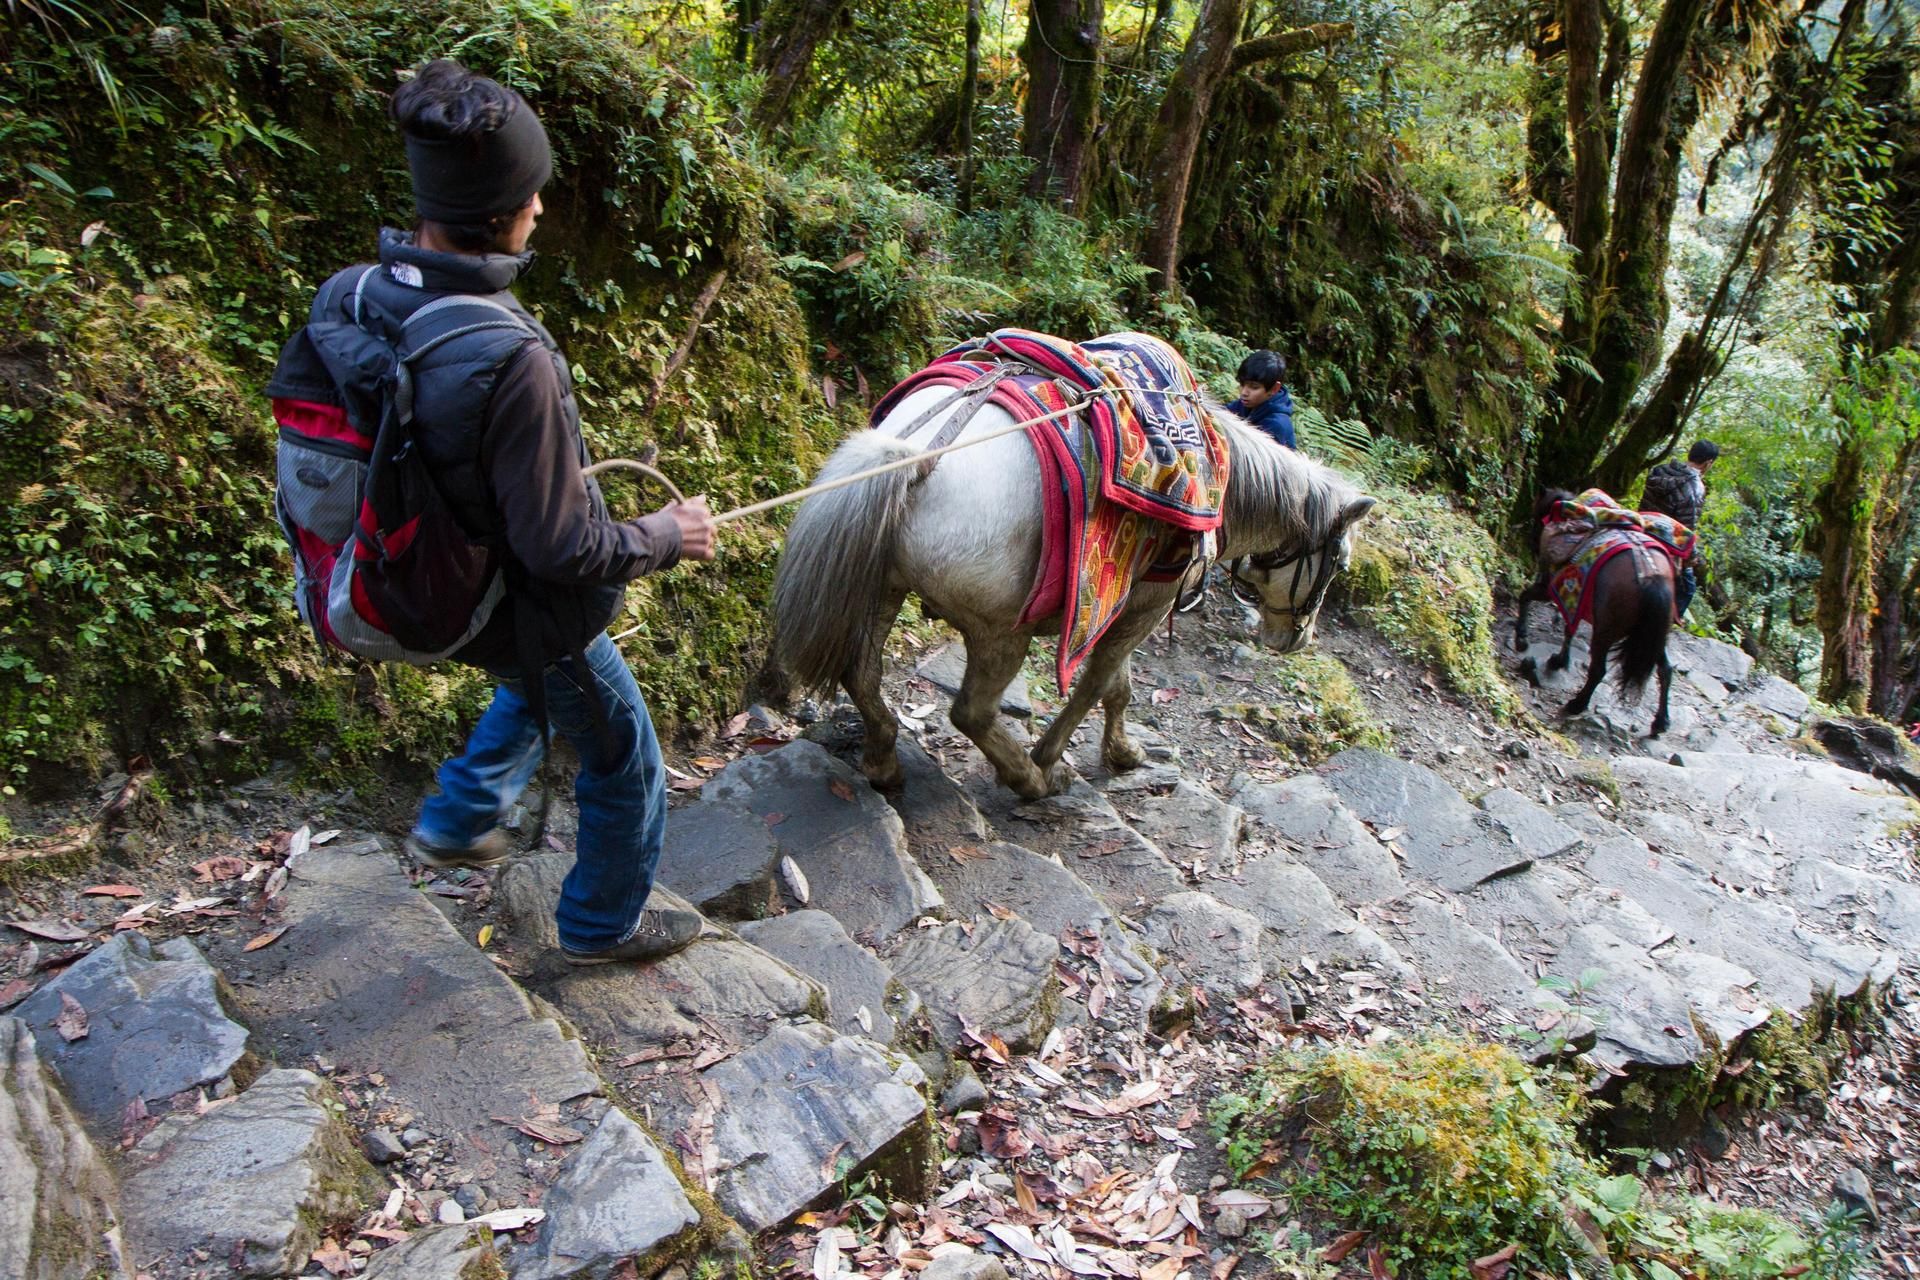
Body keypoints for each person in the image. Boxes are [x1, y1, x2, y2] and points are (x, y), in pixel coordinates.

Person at [272, 60, 717, 965]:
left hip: (394, 570)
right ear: (500, 212)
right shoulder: (514, 357)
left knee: (537, 678)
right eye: (533, 193)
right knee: (623, 752)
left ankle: (462, 813)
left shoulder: (353, 293)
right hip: (507, 597)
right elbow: (560, 546)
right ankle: (602, 924)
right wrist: (668, 536)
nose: (543, 209)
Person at [1640, 440, 1719, 618]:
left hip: (1641, 529)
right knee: (1688, 588)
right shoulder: (1695, 488)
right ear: (1708, 463)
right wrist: (1693, 557)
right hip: (1665, 542)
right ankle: (1666, 625)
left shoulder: (1659, 470)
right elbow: (1686, 528)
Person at [1226, 350, 1296, 451]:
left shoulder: (1277, 425)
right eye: (1242, 384)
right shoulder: (1244, 405)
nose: (1244, 392)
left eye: (1254, 387)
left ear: (1274, 389)